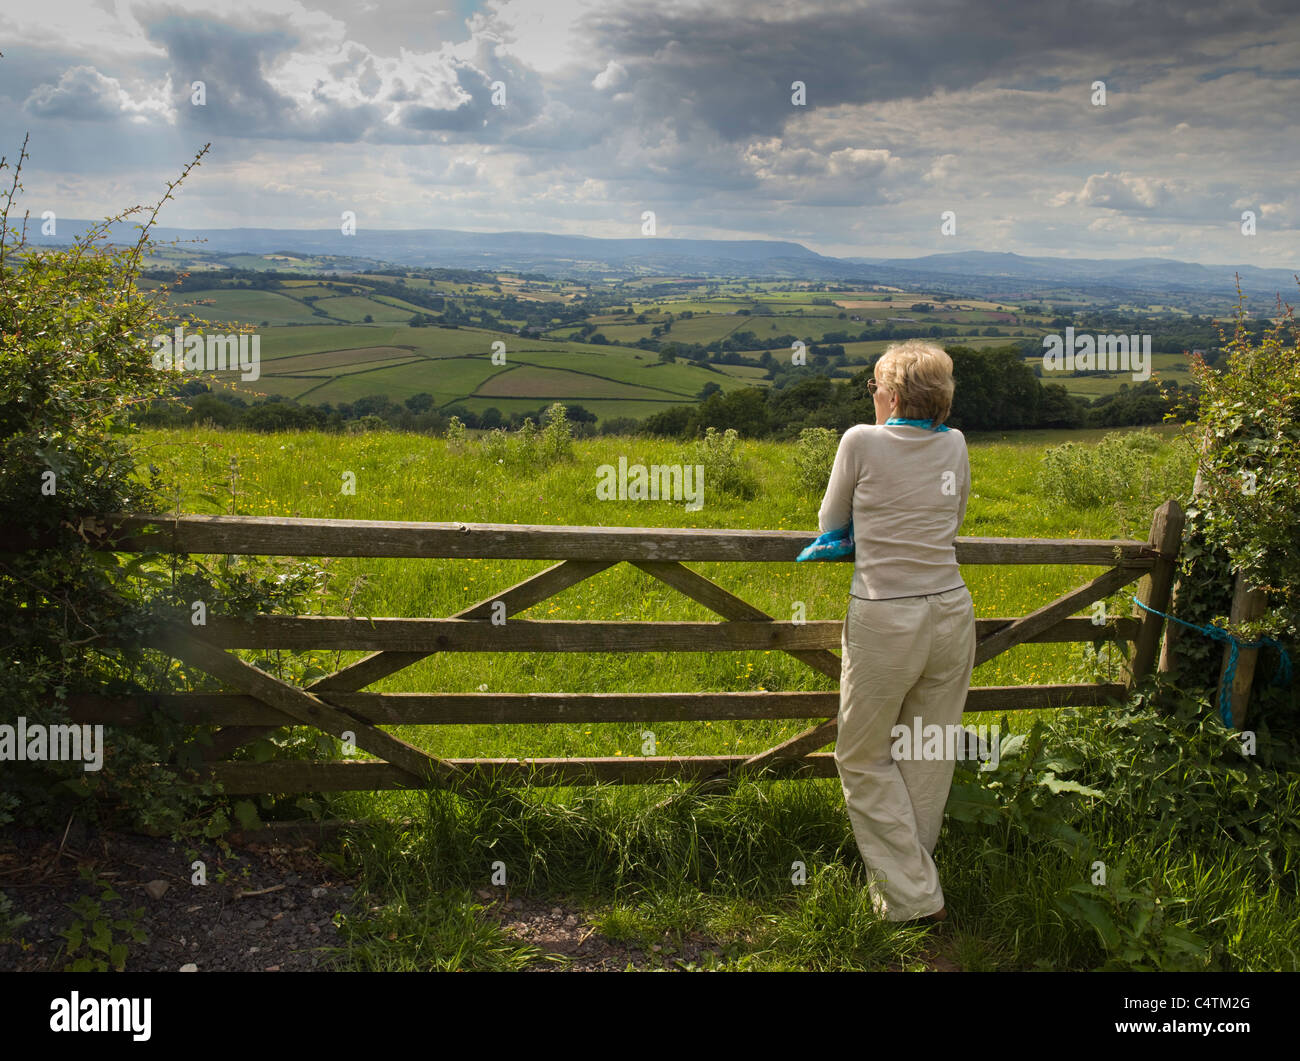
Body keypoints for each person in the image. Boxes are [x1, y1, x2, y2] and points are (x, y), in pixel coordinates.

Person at [817, 339, 975, 924]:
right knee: (927, 749)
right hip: (952, 610)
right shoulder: (955, 443)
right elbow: (953, 519)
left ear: (893, 394)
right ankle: (909, 885)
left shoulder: (861, 439)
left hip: (887, 614)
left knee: (860, 755)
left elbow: (831, 522)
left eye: (877, 387)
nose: (874, 396)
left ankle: (911, 896)